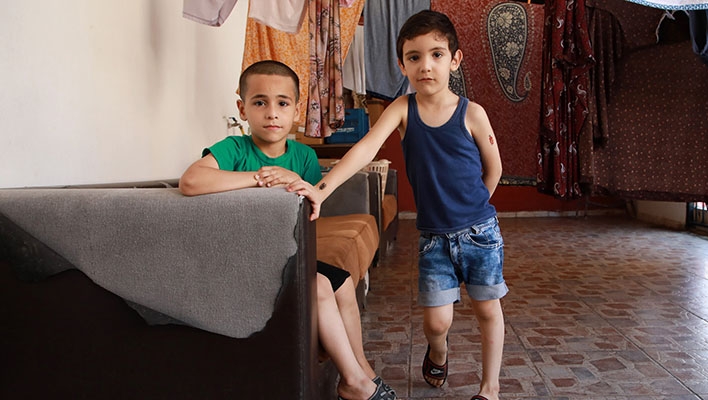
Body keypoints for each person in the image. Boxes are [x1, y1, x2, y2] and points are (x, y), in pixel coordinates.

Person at [288, 10, 507, 400]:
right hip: (434, 238)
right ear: (401, 64)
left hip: (480, 234)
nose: (426, 66)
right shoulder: (402, 110)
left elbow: (494, 168)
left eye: (437, 55)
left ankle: (489, 389)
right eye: (414, 57)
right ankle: (438, 352)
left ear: (455, 60)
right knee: (437, 323)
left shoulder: (472, 114)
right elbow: (364, 150)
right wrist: (321, 189)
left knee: (488, 309)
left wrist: (474, 209)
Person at [179, 60, 396, 400]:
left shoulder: (304, 156)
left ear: (296, 111)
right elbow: (191, 181)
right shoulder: (233, 150)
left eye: (282, 103)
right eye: (259, 102)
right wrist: (260, 177)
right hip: (242, 260)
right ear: (242, 108)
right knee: (321, 285)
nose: (271, 113)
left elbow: (307, 214)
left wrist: (295, 182)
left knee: (340, 282)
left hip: (285, 255)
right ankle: (353, 385)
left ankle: (363, 369)